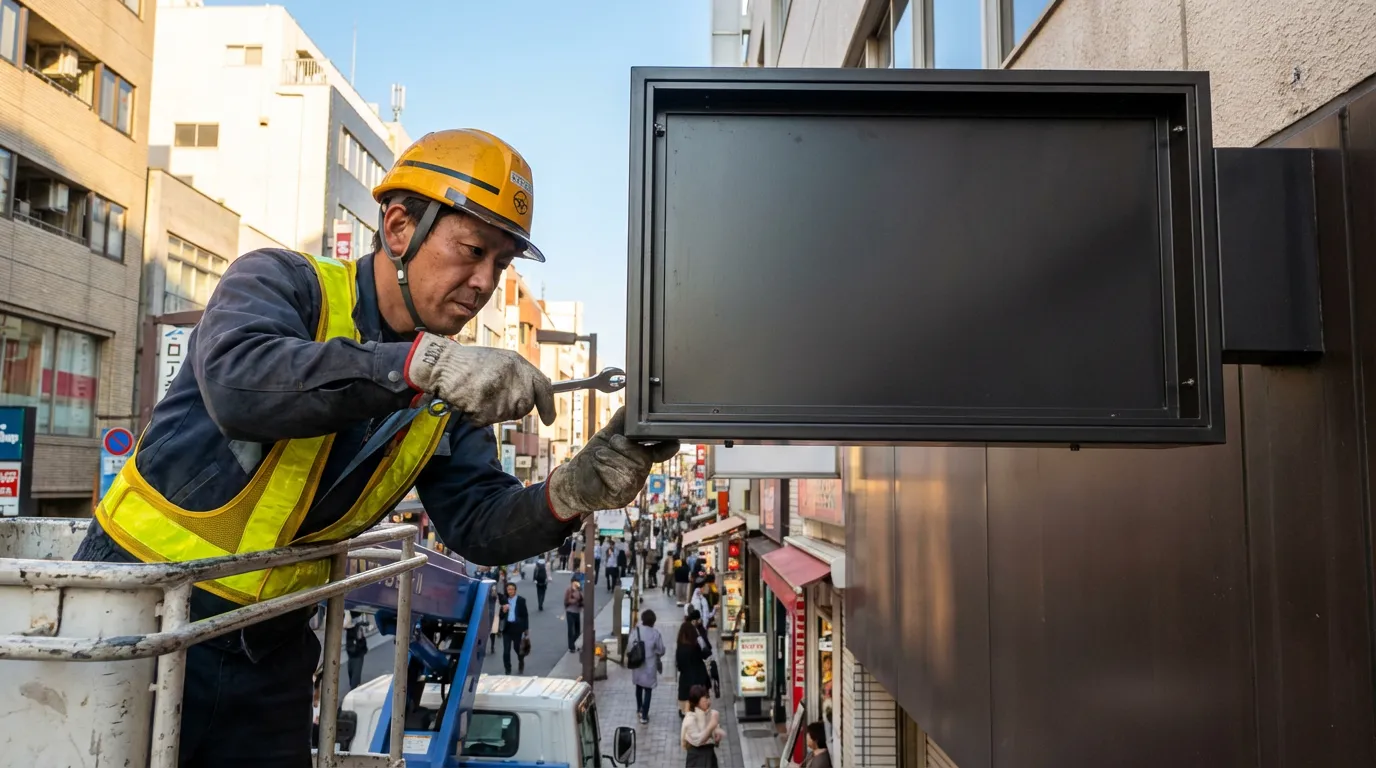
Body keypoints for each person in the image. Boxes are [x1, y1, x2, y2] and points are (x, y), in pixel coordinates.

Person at [72, 128, 679, 764]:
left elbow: (477, 522)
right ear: (397, 228)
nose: (482, 282)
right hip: (132, 617)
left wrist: (572, 491)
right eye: (472, 250)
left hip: (270, 653)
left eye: (500, 265)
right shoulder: (282, 282)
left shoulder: (448, 394)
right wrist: (416, 366)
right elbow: (236, 385)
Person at [630, 609, 666, 724]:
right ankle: (644, 715)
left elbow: (629, 646)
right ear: (653, 621)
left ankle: (639, 708)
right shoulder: (656, 633)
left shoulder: (636, 631)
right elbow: (661, 650)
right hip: (650, 666)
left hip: (638, 664)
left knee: (639, 686)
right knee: (648, 689)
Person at [675, 614, 712, 717]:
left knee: (687, 715)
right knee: (701, 712)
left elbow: (679, 666)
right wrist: (701, 640)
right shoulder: (696, 646)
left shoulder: (680, 649)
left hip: (685, 684)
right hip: (699, 682)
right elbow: (707, 653)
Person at [680, 685, 725, 767]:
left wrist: (717, 736)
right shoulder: (690, 719)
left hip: (710, 754)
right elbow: (698, 740)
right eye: (704, 700)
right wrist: (711, 726)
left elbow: (713, 733)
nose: (708, 702)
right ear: (697, 702)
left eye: (707, 698)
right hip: (696, 757)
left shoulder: (710, 713)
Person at [499, 582, 530, 674]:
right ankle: (507, 669)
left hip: (517, 628)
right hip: (507, 628)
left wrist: (526, 629)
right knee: (506, 651)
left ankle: (521, 661)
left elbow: (525, 615)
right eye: (509, 589)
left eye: (512, 589)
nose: (510, 591)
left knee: (517, 649)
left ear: (515, 590)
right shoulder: (504, 601)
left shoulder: (521, 600)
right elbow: (500, 616)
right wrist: (503, 611)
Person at [344, 611, 368, 692]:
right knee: (352, 672)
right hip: (353, 652)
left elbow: (360, 639)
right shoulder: (353, 626)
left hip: (356, 653)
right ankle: (353, 690)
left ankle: (354, 691)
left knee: (354, 676)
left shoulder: (356, 627)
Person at [563, 578, 584, 653]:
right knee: (571, 630)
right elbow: (566, 600)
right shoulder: (569, 590)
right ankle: (571, 646)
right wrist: (575, 600)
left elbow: (583, 600)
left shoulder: (580, 590)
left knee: (577, 631)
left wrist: (581, 603)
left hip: (577, 612)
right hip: (570, 611)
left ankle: (572, 642)